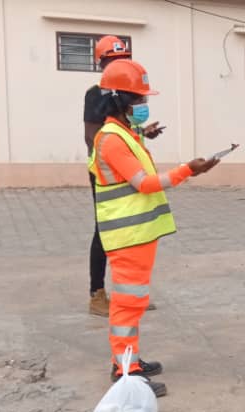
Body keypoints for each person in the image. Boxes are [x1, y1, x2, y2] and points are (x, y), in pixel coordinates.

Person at [88, 60, 220, 397]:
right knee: (126, 304)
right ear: (119, 100)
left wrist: (192, 169)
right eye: (138, 99)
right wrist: (188, 170)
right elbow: (144, 184)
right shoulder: (111, 139)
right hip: (127, 236)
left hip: (138, 234)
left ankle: (128, 360)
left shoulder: (125, 134)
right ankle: (125, 370)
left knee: (133, 302)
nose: (143, 105)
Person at [83, 36, 161, 316]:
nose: (119, 64)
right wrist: (115, 158)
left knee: (131, 230)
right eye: (113, 60)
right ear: (101, 63)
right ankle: (97, 295)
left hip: (126, 168)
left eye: (122, 59)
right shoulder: (96, 94)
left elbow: (123, 129)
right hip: (106, 173)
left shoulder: (127, 88)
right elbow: (93, 136)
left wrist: (142, 132)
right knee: (105, 230)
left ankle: (128, 294)